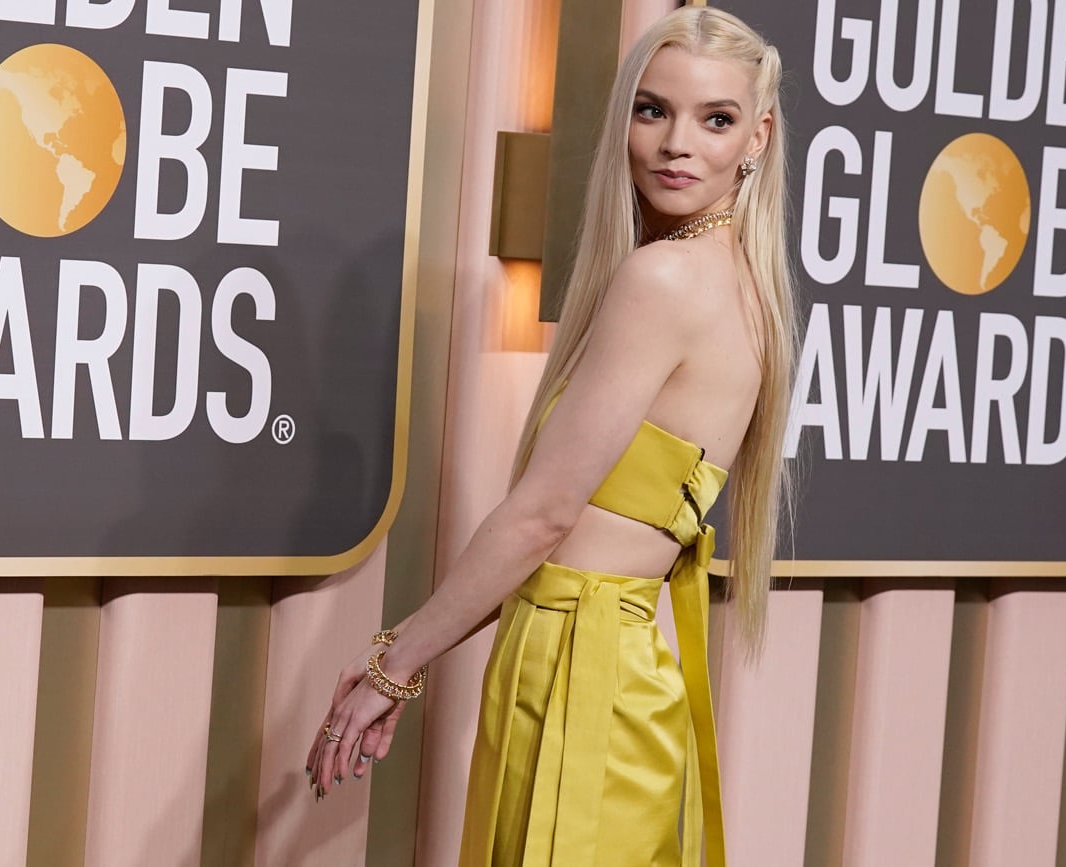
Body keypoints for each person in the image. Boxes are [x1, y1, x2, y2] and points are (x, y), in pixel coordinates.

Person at [306, 7, 796, 865]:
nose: (676, 143)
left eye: (715, 119)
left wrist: (392, 666)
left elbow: (543, 517)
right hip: (611, 667)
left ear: (757, 136)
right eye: (653, 111)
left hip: (584, 676)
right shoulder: (746, 288)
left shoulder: (665, 279)